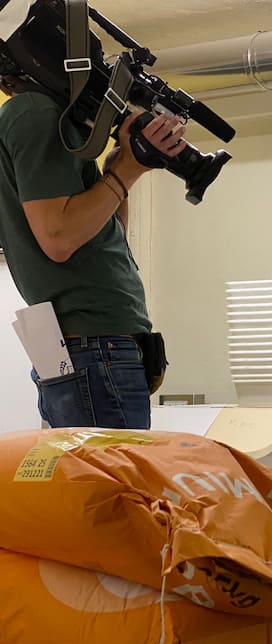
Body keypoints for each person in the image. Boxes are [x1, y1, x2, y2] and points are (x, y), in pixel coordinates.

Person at [0, 78, 184, 429]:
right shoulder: (37, 112)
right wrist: (125, 172)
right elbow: (59, 237)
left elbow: (100, 235)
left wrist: (117, 171)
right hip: (95, 348)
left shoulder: (41, 116)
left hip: (92, 348)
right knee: (114, 482)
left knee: (102, 479)